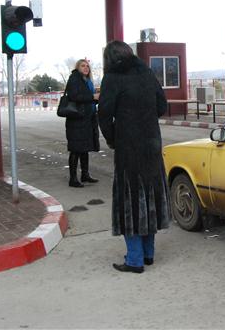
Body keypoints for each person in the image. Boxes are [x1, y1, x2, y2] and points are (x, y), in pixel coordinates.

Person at [98, 41, 170, 274]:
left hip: (128, 146)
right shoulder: (147, 73)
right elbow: (162, 105)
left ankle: (134, 259)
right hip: (151, 143)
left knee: (129, 198)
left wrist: (113, 139)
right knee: (150, 196)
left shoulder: (112, 78)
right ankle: (148, 254)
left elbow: (104, 115)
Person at [65, 59, 100, 188]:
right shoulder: (74, 79)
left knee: (84, 148)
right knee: (75, 149)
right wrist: (92, 97)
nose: (86, 68)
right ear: (77, 67)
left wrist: (95, 99)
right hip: (76, 119)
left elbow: (87, 99)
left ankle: (85, 174)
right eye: (83, 66)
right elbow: (74, 96)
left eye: (87, 66)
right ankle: (73, 179)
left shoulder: (88, 81)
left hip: (87, 118)